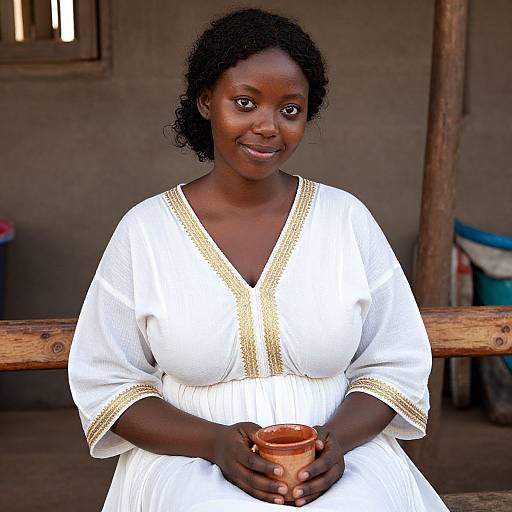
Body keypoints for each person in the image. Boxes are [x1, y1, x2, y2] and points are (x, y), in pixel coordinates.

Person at [68, 8, 449, 511]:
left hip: (339, 458)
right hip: (187, 461)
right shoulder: (146, 232)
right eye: (245, 103)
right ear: (207, 102)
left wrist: (334, 444)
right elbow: (108, 383)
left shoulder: (344, 219)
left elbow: (396, 362)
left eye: (290, 110)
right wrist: (212, 443)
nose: (267, 127)